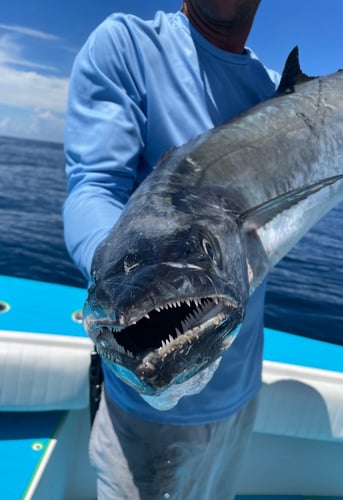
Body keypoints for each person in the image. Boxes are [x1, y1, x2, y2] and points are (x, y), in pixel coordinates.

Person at [63, 1, 279, 498]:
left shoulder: (272, 94)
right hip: (143, 413)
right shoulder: (128, 46)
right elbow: (93, 186)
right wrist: (126, 278)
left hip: (242, 395)